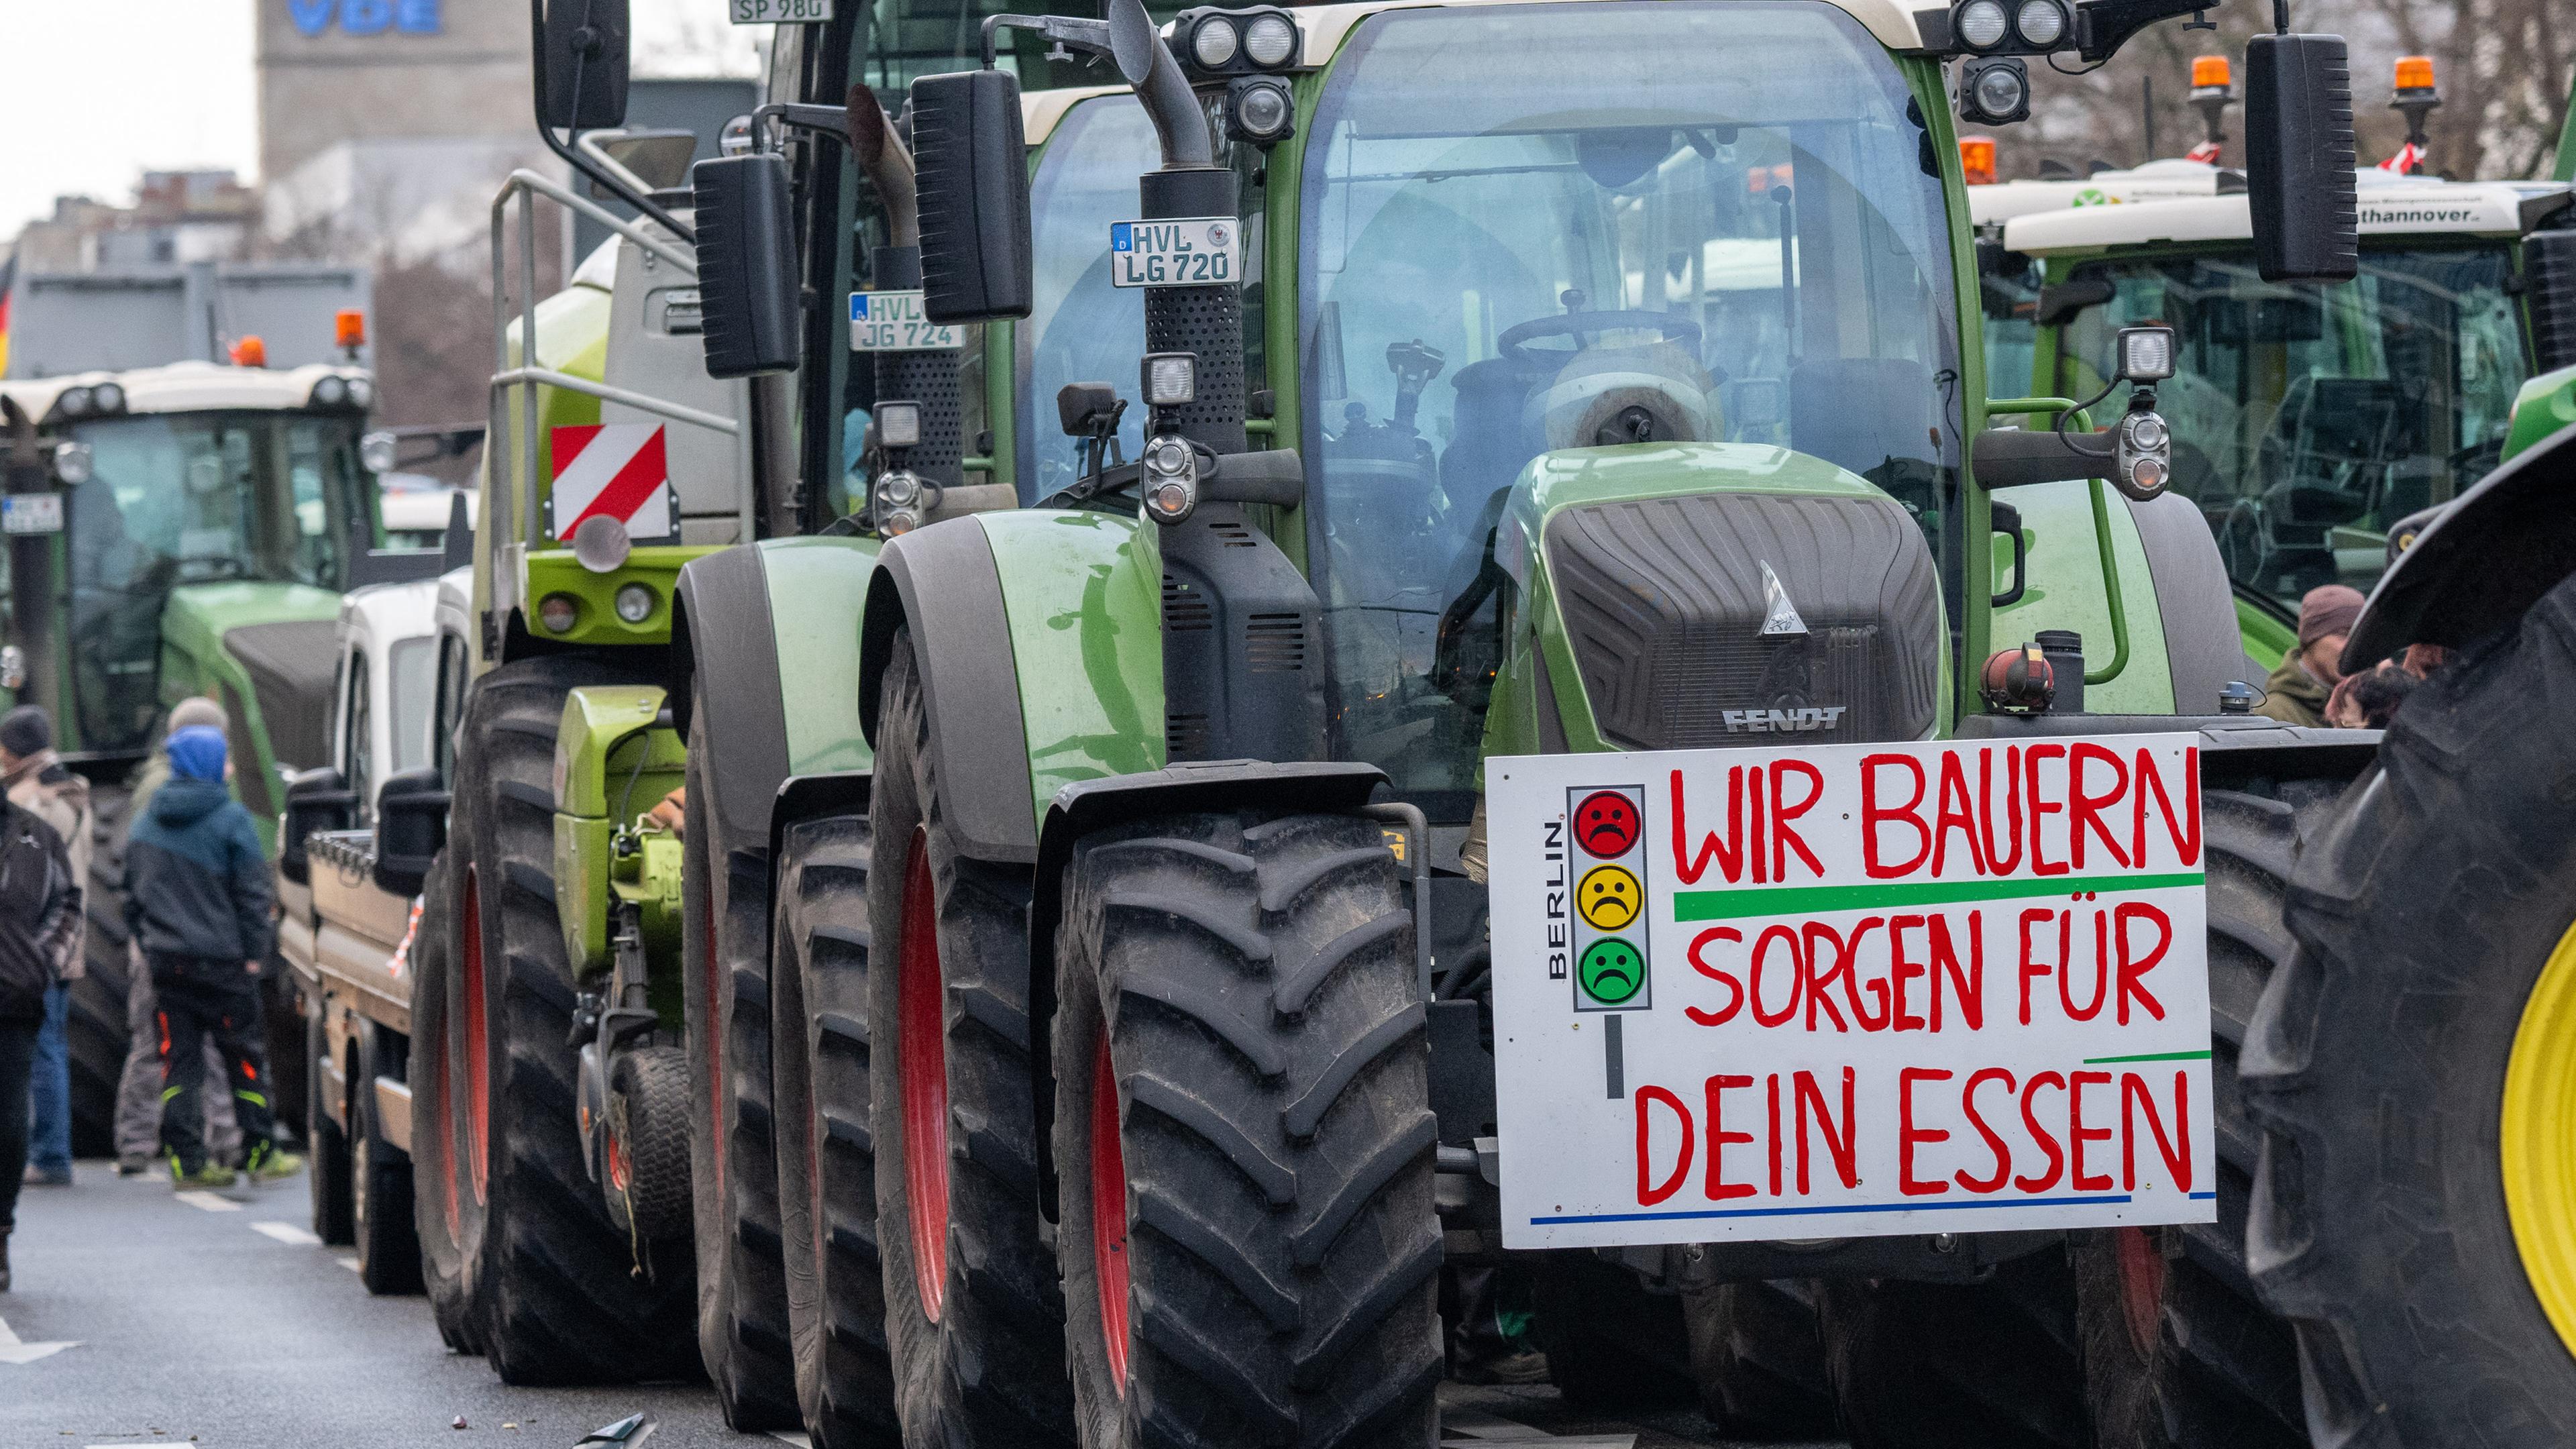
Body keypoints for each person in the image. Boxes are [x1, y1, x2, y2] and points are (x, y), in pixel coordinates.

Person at [123, 723, 297, 1188]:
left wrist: (152, 940)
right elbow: (253, 894)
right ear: (209, 765)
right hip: (225, 965)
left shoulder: (145, 823)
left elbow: (131, 900)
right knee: (243, 1059)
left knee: (179, 1063)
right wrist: (255, 955)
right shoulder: (232, 820)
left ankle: (189, 1163)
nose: (231, 768)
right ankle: (259, 1152)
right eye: (224, 759)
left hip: (166, 966)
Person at [111, 698, 239, 1175]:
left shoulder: (155, 786)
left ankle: (136, 1143)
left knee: (154, 1040)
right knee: (196, 1042)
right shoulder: (186, 789)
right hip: (182, 937)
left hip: (158, 936)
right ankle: (222, 1139)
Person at [0, 779, 83, 1288]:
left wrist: (44, 961)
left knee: (8, 1126)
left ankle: (1, 1227)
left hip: (14, 1000)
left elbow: (68, 901)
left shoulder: (36, 835)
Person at [3, 706, 91, 1189]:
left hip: (32, 949)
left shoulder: (32, 803)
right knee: (50, 1044)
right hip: (65, 940)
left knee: (39, 1052)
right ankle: (50, 1150)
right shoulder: (75, 793)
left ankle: (50, 1153)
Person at [2255, 583, 2365, 727]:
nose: (2354, 647)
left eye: (2360, 636)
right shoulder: (2274, 715)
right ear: (2311, 639)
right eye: (2343, 634)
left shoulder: (2373, 707)